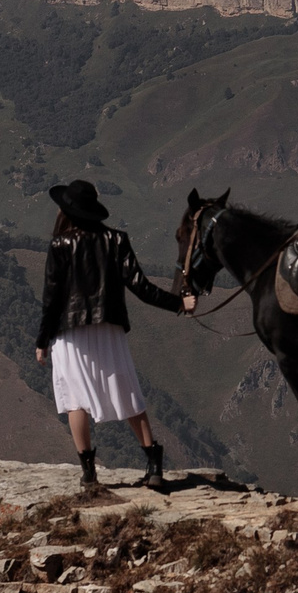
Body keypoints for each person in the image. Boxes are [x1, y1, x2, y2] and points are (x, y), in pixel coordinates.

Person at [32, 178, 196, 489]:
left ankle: (89, 472)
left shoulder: (60, 245)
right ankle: (154, 463)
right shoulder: (116, 240)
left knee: (74, 399)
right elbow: (141, 287)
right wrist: (179, 303)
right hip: (110, 326)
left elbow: (51, 299)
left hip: (71, 330)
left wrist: (42, 340)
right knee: (126, 390)